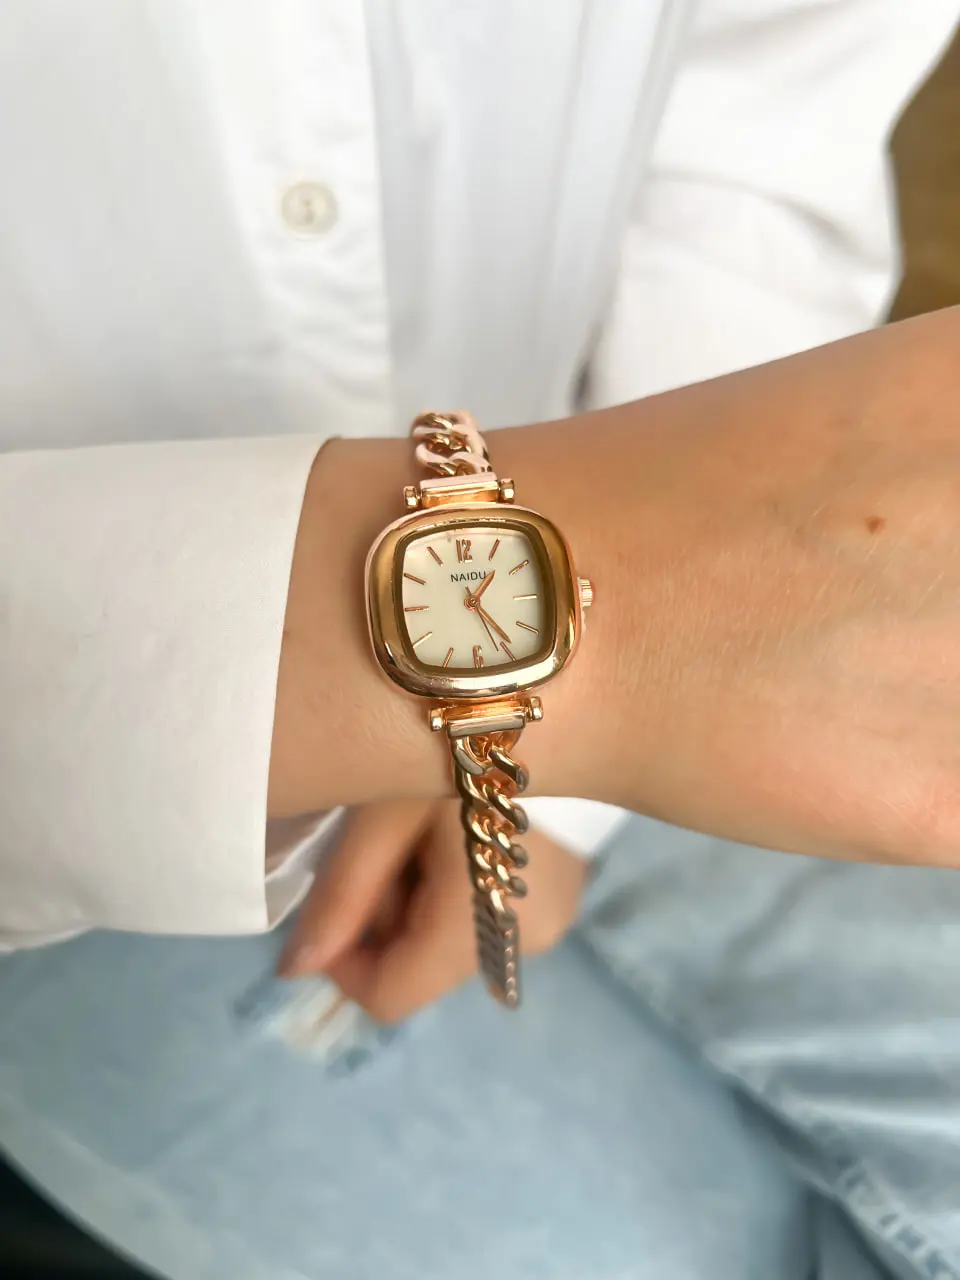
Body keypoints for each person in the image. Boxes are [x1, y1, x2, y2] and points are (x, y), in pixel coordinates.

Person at [3, 3, 960, 1278]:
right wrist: (602, 632)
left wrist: (554, 796)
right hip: (95, 824)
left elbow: (770, 112)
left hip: (678, 506)